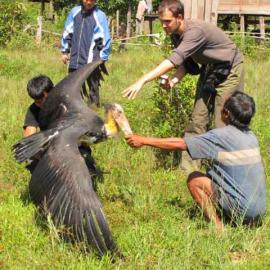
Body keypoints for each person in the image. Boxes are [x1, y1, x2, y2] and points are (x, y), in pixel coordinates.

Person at [123, 0, 244, 172]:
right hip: (209, 69)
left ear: (180, 17)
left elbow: (173, 61)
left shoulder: (194, 31)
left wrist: (142, 80)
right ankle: (189, 170)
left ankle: (225, 172)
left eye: (167, 21)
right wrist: (173, 81)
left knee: (222, 121)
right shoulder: (175, 34)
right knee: (198, 118)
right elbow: (186, 63)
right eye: (161, 21)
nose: (163, 26)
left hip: (230, 67)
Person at [125, 91, 267, 230]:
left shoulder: (220, 136)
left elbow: (180, 144)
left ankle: (218, 229)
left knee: (194, 180)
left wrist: (143, 140)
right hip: (260, 212)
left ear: (226, 114)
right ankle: (237, 218)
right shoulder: (251, 137)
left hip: (244, 211)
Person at [23, 75, 100, 179]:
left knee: (86, 170)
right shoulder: (34, 109)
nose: (41, 105)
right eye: (37, 102)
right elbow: (29, 138)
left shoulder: (69, 103)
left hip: (76, 146)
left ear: (53, 92)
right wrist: (45, 156)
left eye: (43, 100)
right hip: (51, 149)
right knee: (32, 160)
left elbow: (87, 130)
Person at [61, 0, 111, 107]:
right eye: (86, 0)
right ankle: (75, 106)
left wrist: (103, 56)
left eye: (92, 0)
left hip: (92, 58)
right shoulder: (74, 12)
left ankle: (94, 108)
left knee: (93, 84)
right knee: (73, 84)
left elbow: (104, 37)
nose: (89, 2)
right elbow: (68, 32)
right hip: (75, 57)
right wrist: (65, 51)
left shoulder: (99, 15)